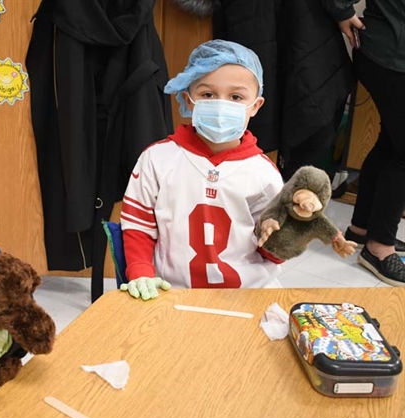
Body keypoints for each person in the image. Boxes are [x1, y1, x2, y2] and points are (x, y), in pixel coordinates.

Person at [120, 40, 286, 300]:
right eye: (207, 94)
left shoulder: (264, 175)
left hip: (249, 295)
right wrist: (141, 271)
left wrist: (287, 238)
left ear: (255, 106)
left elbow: (273, 251)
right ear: (188, 99)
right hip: (171, 293)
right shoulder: (157, 159)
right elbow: (138, 226)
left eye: (236, 97)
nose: (221, 105)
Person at [324, 0, 405, 286]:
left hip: (386, 52)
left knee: (391, 144)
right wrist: (341, 10)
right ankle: (379, 248)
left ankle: (361, 229)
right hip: (392, 58)